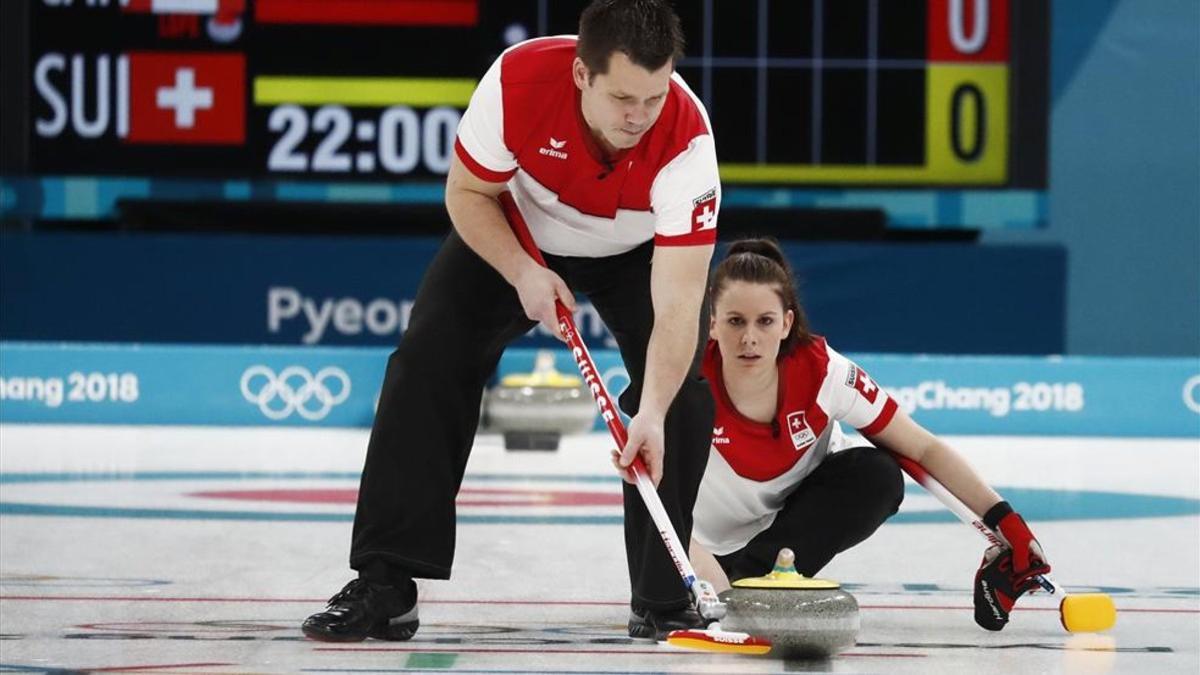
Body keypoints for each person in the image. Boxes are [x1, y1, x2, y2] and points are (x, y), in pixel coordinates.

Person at [302, 0, 721, 643]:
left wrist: (655, 413)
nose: (640, 116)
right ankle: (386, 584)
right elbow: (466, 193)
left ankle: (663, 601)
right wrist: (524, 272)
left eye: (655, 96)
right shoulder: (517, 81)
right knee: (426, 359)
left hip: (637, 250)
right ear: (582, 75)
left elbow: (678, 304)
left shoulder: (687, 143)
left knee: (685, 398)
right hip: (519, 230)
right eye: (623, 98)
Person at [679, 239, 1052, 632]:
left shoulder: (825, 373)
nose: (749, 338)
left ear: (787, 323)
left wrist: (1007, 522)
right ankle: (735, 586)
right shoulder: (683, 377)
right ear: (712, 323)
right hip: (698, 543)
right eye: (736, 321)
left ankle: (763, 582)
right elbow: (656, 494)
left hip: (780, 540)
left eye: (765, 321)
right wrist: (702, 572)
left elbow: (922, 447)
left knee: (876, 475)